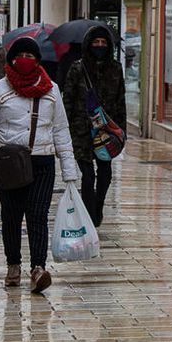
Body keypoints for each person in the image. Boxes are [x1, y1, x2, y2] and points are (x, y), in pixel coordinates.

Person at [0, 38, 80, 293]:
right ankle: (13, 264)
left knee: (37, 214)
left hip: (42, 161)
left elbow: (61, 130)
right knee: (11, 215)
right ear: (11, 59)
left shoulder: (51, 89)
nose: (25, 59)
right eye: (20, 55)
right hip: (9, 162)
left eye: (30, 55)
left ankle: (38, 268)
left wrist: (69, 170)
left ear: (38, 60)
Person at [61, 25, 126, 227]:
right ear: (89, 45)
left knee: (105, 171)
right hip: (81, 129)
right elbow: (68, 99)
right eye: (96, 42)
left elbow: (120, 99)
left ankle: (98, 204)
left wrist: (121, 131)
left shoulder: (115, 68)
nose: (100, 46)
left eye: (103, 43)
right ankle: (90, 214)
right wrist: (65, 129)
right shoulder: (77, 68)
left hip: (106, 129)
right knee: (88, 174)